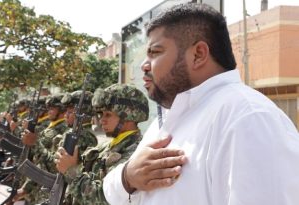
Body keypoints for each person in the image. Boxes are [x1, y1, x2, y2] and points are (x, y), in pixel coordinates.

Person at [103, 3, 299, 205]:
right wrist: (127, 177)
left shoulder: (248, 119)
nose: (145, 65)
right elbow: (113, 192)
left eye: (155, 52)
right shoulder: (168, 120)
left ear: (198, 54)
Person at [55, 84, 149, 205]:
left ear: (128, 116)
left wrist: (70, 171)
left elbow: (105, 198)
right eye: (101, 115)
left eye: (108, 115)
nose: (101, 120)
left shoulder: (135, 152)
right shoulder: (106, 147)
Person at [13, 94, 69, 204]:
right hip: (37, 186)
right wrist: (26, 188)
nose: (49, 111)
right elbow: (38, 161)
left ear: (61, 110)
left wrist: (32, 141)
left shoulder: (61, 129)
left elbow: (51, 162)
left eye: (52, 109)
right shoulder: (51, 126)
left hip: (49, 189)